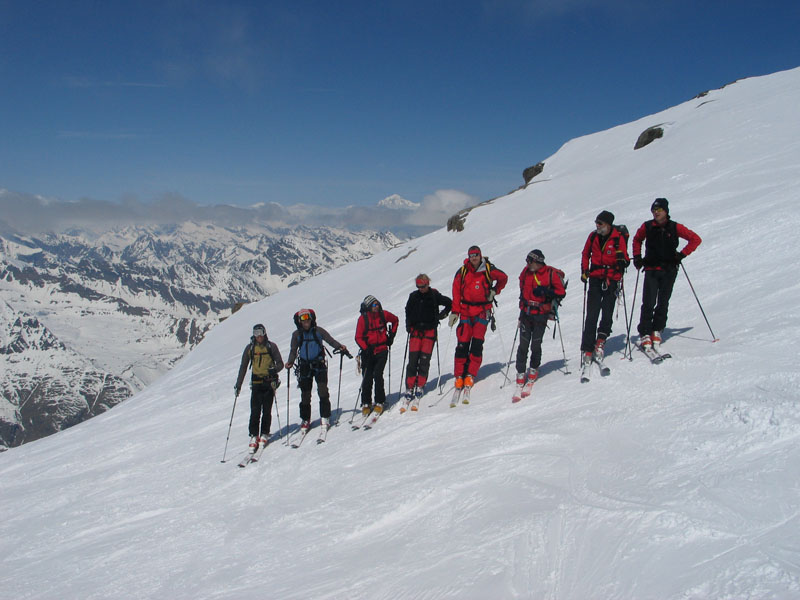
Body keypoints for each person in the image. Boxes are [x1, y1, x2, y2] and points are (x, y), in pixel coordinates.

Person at [632, 197, 702, 349]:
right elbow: (637, 239)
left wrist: (682, 254)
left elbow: (695, 239)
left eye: (659, 210)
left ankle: (657, 329)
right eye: (653, 210)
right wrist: (637, 257)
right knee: (649, 302)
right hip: (651, 269)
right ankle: (645, 332)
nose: (656, 213)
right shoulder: (647, 226)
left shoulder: (675, 227)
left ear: (665, 211)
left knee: (663, 301)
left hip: (669, 269)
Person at [449, 245, 508, 389]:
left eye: (476, 255)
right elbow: (456, 292)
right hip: (465, 311)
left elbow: (503, 278)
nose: (474, 258)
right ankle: (459, 375)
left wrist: (495, 290)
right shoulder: (462, 271)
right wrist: (455, 312)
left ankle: (470, 374)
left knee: (476, 343)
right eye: (471, 255)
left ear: (480, 255)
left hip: (482, 311)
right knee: (462, 343)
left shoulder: (488, 269)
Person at [286, 309, 350, 432]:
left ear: (312, 319)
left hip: (319, 364)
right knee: (305, 394)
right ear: (299, 321)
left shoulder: (318, 331)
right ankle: (305, 419)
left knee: (323, 391)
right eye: (303, 319)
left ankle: (325, 416)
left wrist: (340, 347)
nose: (306, 321)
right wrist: (290, 361)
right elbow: (293, 350)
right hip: (304, 366)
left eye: (308, 318)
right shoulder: (297, 335)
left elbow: (330, 340)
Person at [580, 210, 630, 366]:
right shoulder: (593, 236)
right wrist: (584, 270)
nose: (597, 226)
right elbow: (585, 253)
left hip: (612, 280)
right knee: (592, 314)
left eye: (600, 223)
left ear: (608, 224)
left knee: (607, 313)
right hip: (595, 278)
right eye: (596, 223)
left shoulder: (618, 238)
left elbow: (625, 258)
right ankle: (587, 348)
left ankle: (601, 340)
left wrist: (622, 261)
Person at [515, 249, 567, 389]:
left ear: (538, 262)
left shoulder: (550, 273)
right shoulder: (526, 272)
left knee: (536, 344)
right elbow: (522, 287)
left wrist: (546, 291)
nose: (527, 264)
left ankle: (533, 368)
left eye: (530, 261)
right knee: (523, 344)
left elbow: (561, 292)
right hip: (526, 313)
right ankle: (520, 372)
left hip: (541, 314)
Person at [234, 323, 284, 453]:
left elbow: (280, 364)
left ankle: (264, 433)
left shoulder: (271, 346)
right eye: (256, 334)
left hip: (269, 383)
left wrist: (274, 370)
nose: (258, 336)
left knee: (267, 410)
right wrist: (238, 385)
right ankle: (254, 435)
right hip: (256, 383)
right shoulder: (250, 348)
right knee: (255, 411)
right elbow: (243, 367)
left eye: (260, 333)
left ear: (264, 333)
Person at [403, 274, 452, 403]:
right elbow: (408, 310)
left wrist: (443, 314)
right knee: (413, 361)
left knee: (424, 360)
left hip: (429, 332)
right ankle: (409, 387)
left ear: (428, 284)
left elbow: (449, 303)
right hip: (415, 332)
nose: (421, 289)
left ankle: (420, 385)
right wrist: (408, 325)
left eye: (423, 286)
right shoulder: (413, 296)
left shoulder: (434, 295)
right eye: (418, 286)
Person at [355, 296, 399, 415]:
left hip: (382, 350)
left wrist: (391, 336)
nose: (377, 307)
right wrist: (366, 348)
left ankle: (380, 401)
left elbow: (395, 320)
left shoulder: (383, 315)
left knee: (378, 375)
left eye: (377, 304)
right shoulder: (363, 319)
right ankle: (366, 403)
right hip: (368, 353)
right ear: (368, 307)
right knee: (367, 377)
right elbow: (358, 337)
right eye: (374, 305)